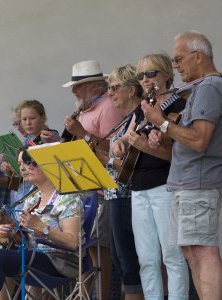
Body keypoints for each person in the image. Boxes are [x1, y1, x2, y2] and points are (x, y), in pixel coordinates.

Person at [142, 31, 222, 300]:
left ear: (198, 56)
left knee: (202, 250)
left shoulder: (210, 87)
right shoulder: (200, 89)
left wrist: (162, 122)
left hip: (198, 185)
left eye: (178, 59)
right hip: (185, 185)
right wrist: (164, 133)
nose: (175, 65)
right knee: (190, 251)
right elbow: (187, 137)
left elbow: (200, 140)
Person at [113, 53, 189, 300]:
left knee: (172, 256)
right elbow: (127, 136)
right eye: (141, 75)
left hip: (164, 185)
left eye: (150, 74)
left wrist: (146, 146)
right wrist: (120, 143)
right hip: (138, 188)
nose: (145, 80)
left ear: (167, 74)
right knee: (146, 258)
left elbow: (178, 155)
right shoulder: (143, 107)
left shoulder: (177, 105)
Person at [0, 150, 82, 300]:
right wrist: (8, 231)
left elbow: (72, 242)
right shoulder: (32, 197)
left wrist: (43, 228)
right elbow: (21, 236)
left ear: (48, 164)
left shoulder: (67, 197)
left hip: (58, 260)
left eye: (29, 163)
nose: (23, 168)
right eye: (20, 164)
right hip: (30, 254)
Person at [62, 60, 125, 299]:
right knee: (89, 250)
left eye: (78, 86)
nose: (73, 91)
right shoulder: (86, 110)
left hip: (105, 190)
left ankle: (104, 295)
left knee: (101, 250)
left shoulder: (108, 107)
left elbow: (115, 149)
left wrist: (81, 133)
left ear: (95, 87)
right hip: (86, 190)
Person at [106, 64, 144, 299]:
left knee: (129, 259)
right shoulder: (127, 119)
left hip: (126, 195)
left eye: (114, 87)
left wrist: (104, 158)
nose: (110, 93)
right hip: (115, 195)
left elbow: (129, 164)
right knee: (119, 257)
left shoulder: (139, 117)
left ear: (131, 90)